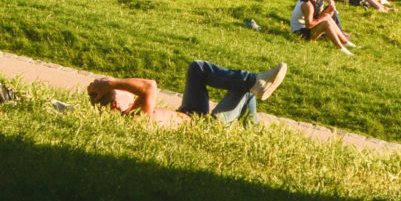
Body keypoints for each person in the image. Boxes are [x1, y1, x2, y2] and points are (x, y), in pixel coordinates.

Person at [87, 61, 288, 128]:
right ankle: (252, 128)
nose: (129, 92)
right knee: (245, 91)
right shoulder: (135, 117)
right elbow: (150, 86)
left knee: (197, 68)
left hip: (190, 112)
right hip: (204, 126)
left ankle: (254, 81)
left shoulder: (132, 111)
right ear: (114, 106)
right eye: (123, 92)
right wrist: (110, 83)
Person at [290, 0, 354, 54]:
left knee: (328, 18)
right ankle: (341, 48)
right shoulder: (308, 5)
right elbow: (309, 25)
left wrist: (326, 14)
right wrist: (323, 17)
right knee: (326, 22)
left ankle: (345, 42)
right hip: (299, 33)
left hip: (306, 29)